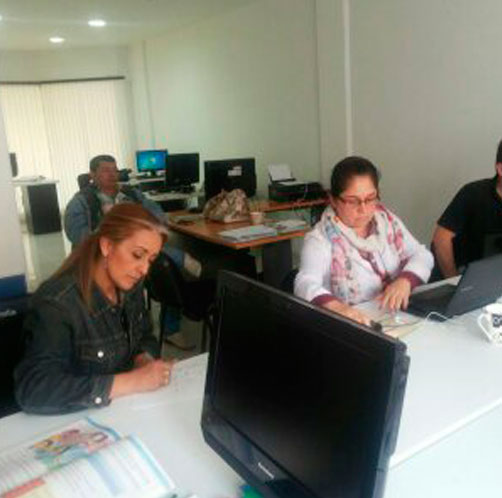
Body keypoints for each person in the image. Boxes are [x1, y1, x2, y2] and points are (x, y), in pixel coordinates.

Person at [15, 204, 175, 414]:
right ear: (107, 246)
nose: (144, 269)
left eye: (151, 260)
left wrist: (142, 359)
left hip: (123, 411)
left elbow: (145, 335)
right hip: (76, 419)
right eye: (137, 255)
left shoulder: (131, 285)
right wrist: (132, 382)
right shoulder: (57, 303)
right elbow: (34, 390)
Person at [64, 154, 202, 349]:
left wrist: (146, 228)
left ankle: (170, 328)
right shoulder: (81, 201)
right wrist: (111, 228)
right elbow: (77, 235)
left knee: (167, 270)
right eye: (105, 170)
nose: (112, 175)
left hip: (138, 252)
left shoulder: (131, 194)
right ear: (92, 175)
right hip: (103, 257)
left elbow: (158, 214)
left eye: (114, 170)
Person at [294, 156, 433, 326]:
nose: (364, 209)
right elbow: (304, 283)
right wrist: (339, 308)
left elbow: (422, 254)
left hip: (395, 316)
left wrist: (404, 281)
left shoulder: (387, 221)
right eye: (352, 201)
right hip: (351, 324)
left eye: (370, 198)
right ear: (333, 200)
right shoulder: (320, 238)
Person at [432, 140, 502, 278]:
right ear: (500, 169)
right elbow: (441, 239)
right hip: (464, 274)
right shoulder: (473, 193)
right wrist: (454, 280)